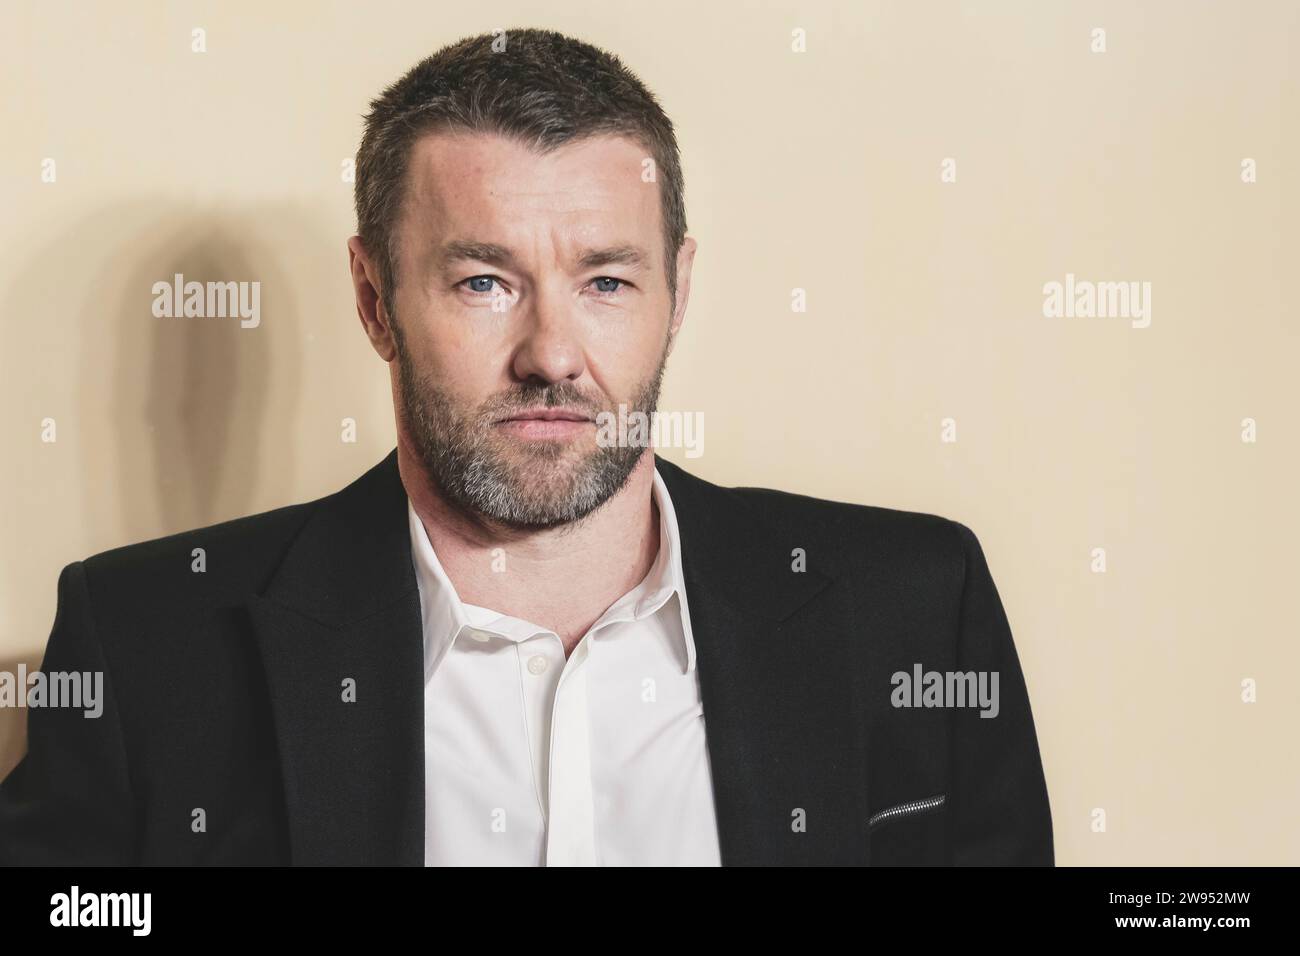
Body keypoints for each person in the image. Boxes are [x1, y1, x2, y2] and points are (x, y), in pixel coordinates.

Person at [0, 28, 1052, 866]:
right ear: (375, 300)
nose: (551, 353)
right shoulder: (144, 644)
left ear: (677, 291)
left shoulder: (916, 607)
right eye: (483, 282)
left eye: (605, 280)